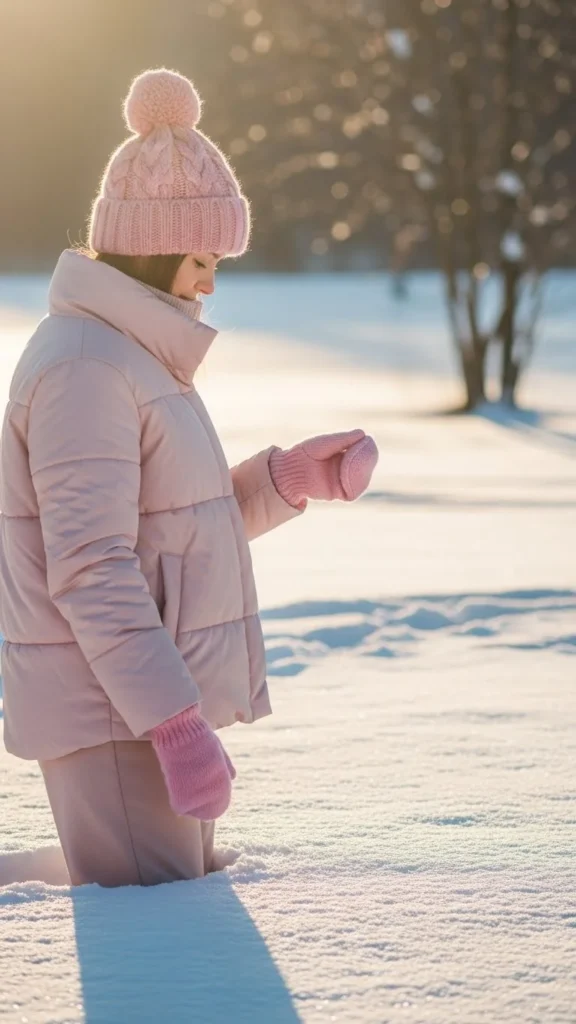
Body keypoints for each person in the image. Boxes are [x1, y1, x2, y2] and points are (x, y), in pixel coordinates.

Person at [0, 69, 378, 887]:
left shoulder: (130, 356)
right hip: (116, 722)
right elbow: (92, 570)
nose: (210, 282)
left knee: (175, 924)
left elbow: (164, 532)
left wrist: (289, 478)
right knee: (159, 941)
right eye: (203, 259)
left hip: (138, 709)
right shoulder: (86, 369)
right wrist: (175, 726)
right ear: (153, 248)